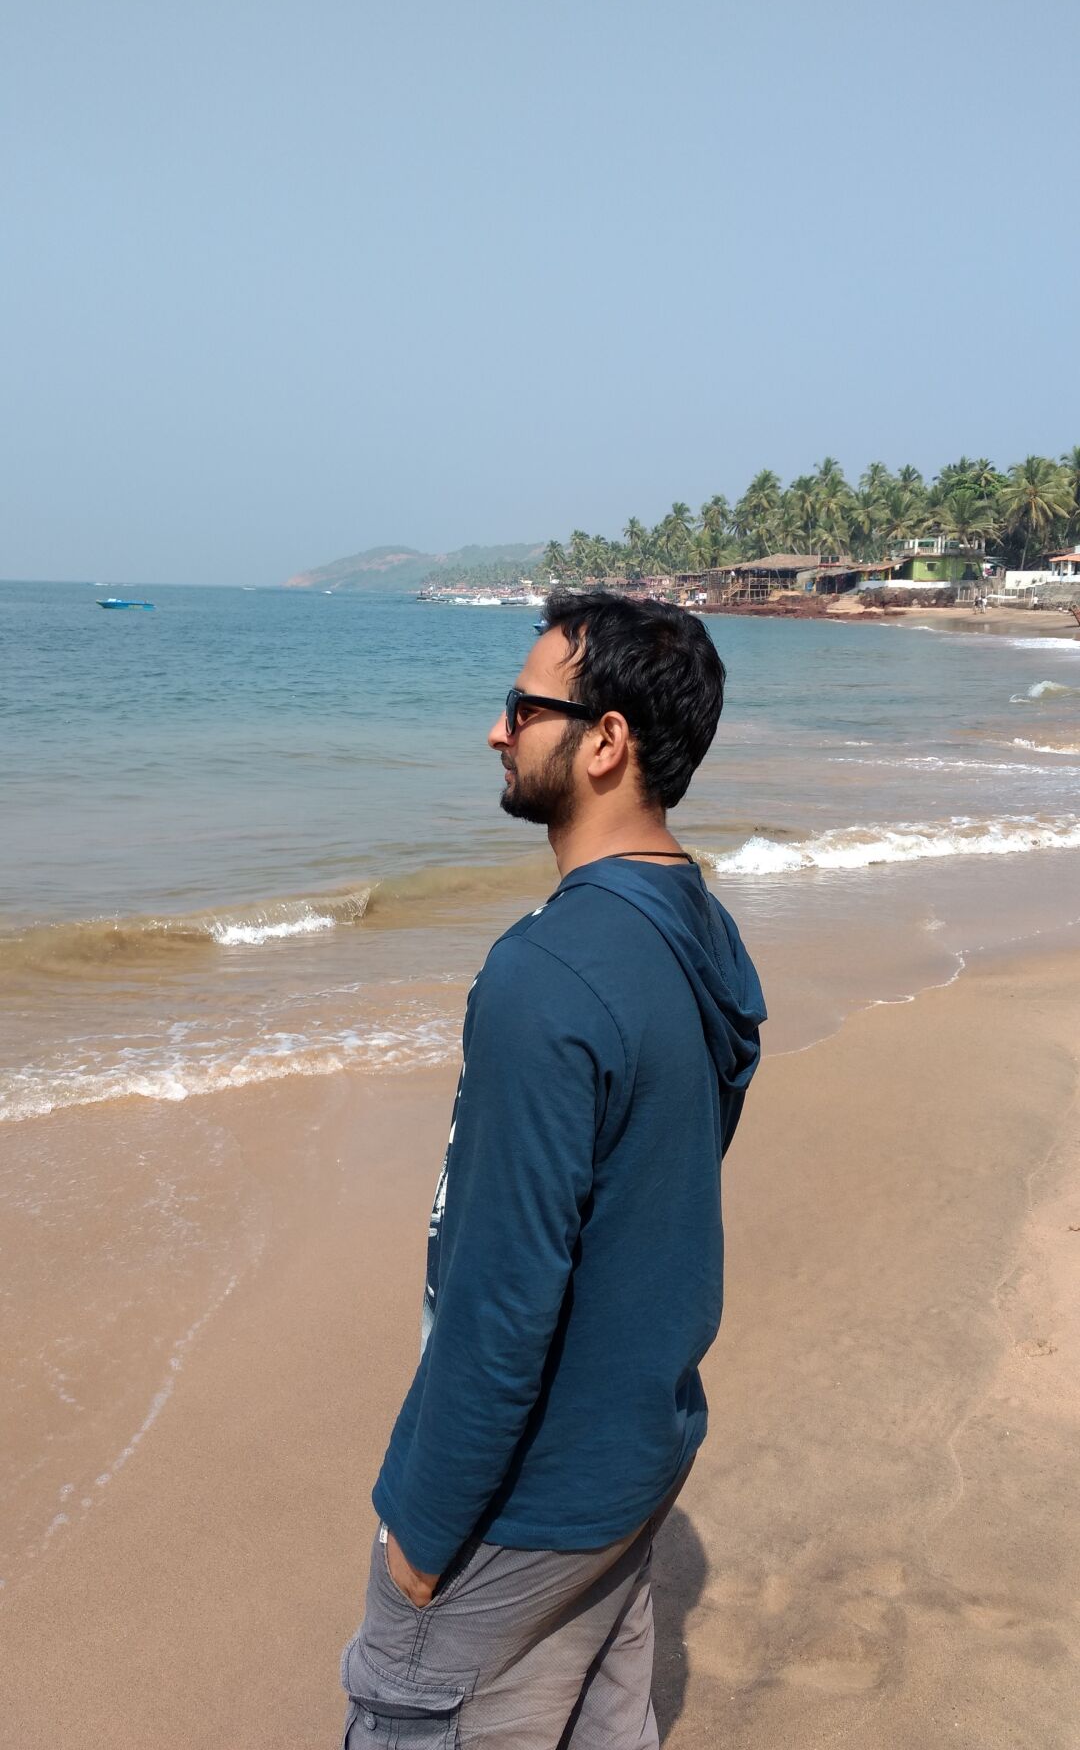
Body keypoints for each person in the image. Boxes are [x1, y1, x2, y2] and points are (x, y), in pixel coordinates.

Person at [339, 591, 765, 1748]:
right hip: (640, 1450)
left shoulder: (548, 978)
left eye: (524, 708)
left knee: (414, 1707)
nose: (497, 730)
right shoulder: (699, 926)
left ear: (606, 741)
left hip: (531, 1501)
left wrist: (421, 1541)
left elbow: (504, 1302)